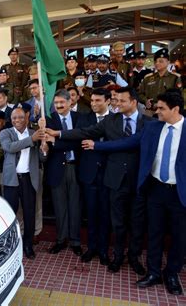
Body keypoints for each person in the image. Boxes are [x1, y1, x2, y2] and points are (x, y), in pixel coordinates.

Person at [84, 90, 185, 295]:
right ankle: (153, 272)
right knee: (154, 232)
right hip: (155, 189)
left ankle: (172, 274)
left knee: (179, 236)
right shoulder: (153, 127)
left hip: (179, 193)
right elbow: (126, 142)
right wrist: (98, 145)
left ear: (175, 109)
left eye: (161, 108)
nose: (156, 111)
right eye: (156, 107)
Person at [46, 87, 153, 275]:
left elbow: (130, 142)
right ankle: (115, 255)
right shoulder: (111, 121)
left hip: (136, 180)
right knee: (113, 220)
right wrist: (58, 134)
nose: (117, 104)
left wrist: (98, 145)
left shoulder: (149, 122)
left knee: (135, 223)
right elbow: (82, 132)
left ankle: (133, 257)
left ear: (134, 102)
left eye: (120, 101)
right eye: (116, 100)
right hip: (107, 178)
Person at [0, 105, 47, 259]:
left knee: (29, 213)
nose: (17, 120)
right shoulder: (6, 133)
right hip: (11, 179)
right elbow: (10, 148)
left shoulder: (35, 133)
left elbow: (42, 159)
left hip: (29, 178)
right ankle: (10, 244)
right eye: (14, 118)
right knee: (10, 213)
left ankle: (28, 245)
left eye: (20, 117)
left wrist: (44, 149)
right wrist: (31, 140)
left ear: (27, 118)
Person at [77, 88, 112, 265]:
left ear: (108, 101)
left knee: (105, 214)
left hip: (108, 175)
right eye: (92, 101)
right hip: (89, 173)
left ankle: (104, 250)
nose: (94, 104)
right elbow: (78, 138)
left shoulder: (115, 120)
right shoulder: (84, 118)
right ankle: (91, 248)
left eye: (98, 100)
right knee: (91, 213)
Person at [45, 89, 82, 256]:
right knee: (60, 207)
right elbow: (50, 144)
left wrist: (58, 140)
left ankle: (75, 240)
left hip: (76, 167)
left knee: (75, 205)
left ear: (70, 102)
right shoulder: (48, 120)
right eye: (56, 103)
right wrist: (64, 141)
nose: (58, 105)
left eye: (62, 102)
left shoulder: (79, 118)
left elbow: (79, 143)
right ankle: (61, 240)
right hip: (57, 169)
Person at [138, 48, 182, 115]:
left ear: (168, 62)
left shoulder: (175, 78)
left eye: (161, 61)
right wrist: (145, 101)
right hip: (150, 112)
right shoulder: (148, 78)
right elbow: (140, 94)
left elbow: (178, 97)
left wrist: (162, 104)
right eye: (156, 61)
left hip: (167, 112)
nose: (157, 63)